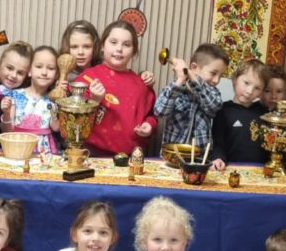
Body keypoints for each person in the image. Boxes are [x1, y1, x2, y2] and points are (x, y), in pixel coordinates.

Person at [82, 20, 158, 156]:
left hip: (131, 158)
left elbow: (151, 115)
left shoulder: (141, 84)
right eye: (113, 42)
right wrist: (94, 100)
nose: (119, 49)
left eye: (127, 45)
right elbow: (74, 121)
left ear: (134, 51)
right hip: (92, 155)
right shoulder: (87, 78)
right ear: (102, 46)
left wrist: (149, 126)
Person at [154, 43, 229, 149]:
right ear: (194, 67)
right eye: (213, 73)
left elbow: (214, 107)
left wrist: (193, 78)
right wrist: (181, 79)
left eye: (220, 76)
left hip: (200, 156)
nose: (217, 80)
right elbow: (160, 112)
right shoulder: (174, 88)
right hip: (172, 154)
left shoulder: (213, 92)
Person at [210, 59, 271, 172]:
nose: (249, 91)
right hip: (230, 169)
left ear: (262, 91)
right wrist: (218, 158)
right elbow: (218, 142)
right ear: (235, 79)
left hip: (260, 171)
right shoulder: (222, 110)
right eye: (246, 83)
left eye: (257, 88)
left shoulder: (265, 113)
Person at [1, 46, 62, 154]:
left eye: (50, 68)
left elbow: (56, 127)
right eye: (38, 66)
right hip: (18, 147)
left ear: (57, 74)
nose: (44, 72)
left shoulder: (54, 99)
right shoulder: (15, 95)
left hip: (45, 151)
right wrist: (6, 113)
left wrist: (56, 107)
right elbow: (7, 130)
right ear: (29, 71)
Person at [60, 19, 155, 85]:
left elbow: (122, 78)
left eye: (87, 46)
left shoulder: (102, 67)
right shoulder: (59, 72)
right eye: (74, 47)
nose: (80, 52)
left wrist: (143, 75)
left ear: (97, 46)